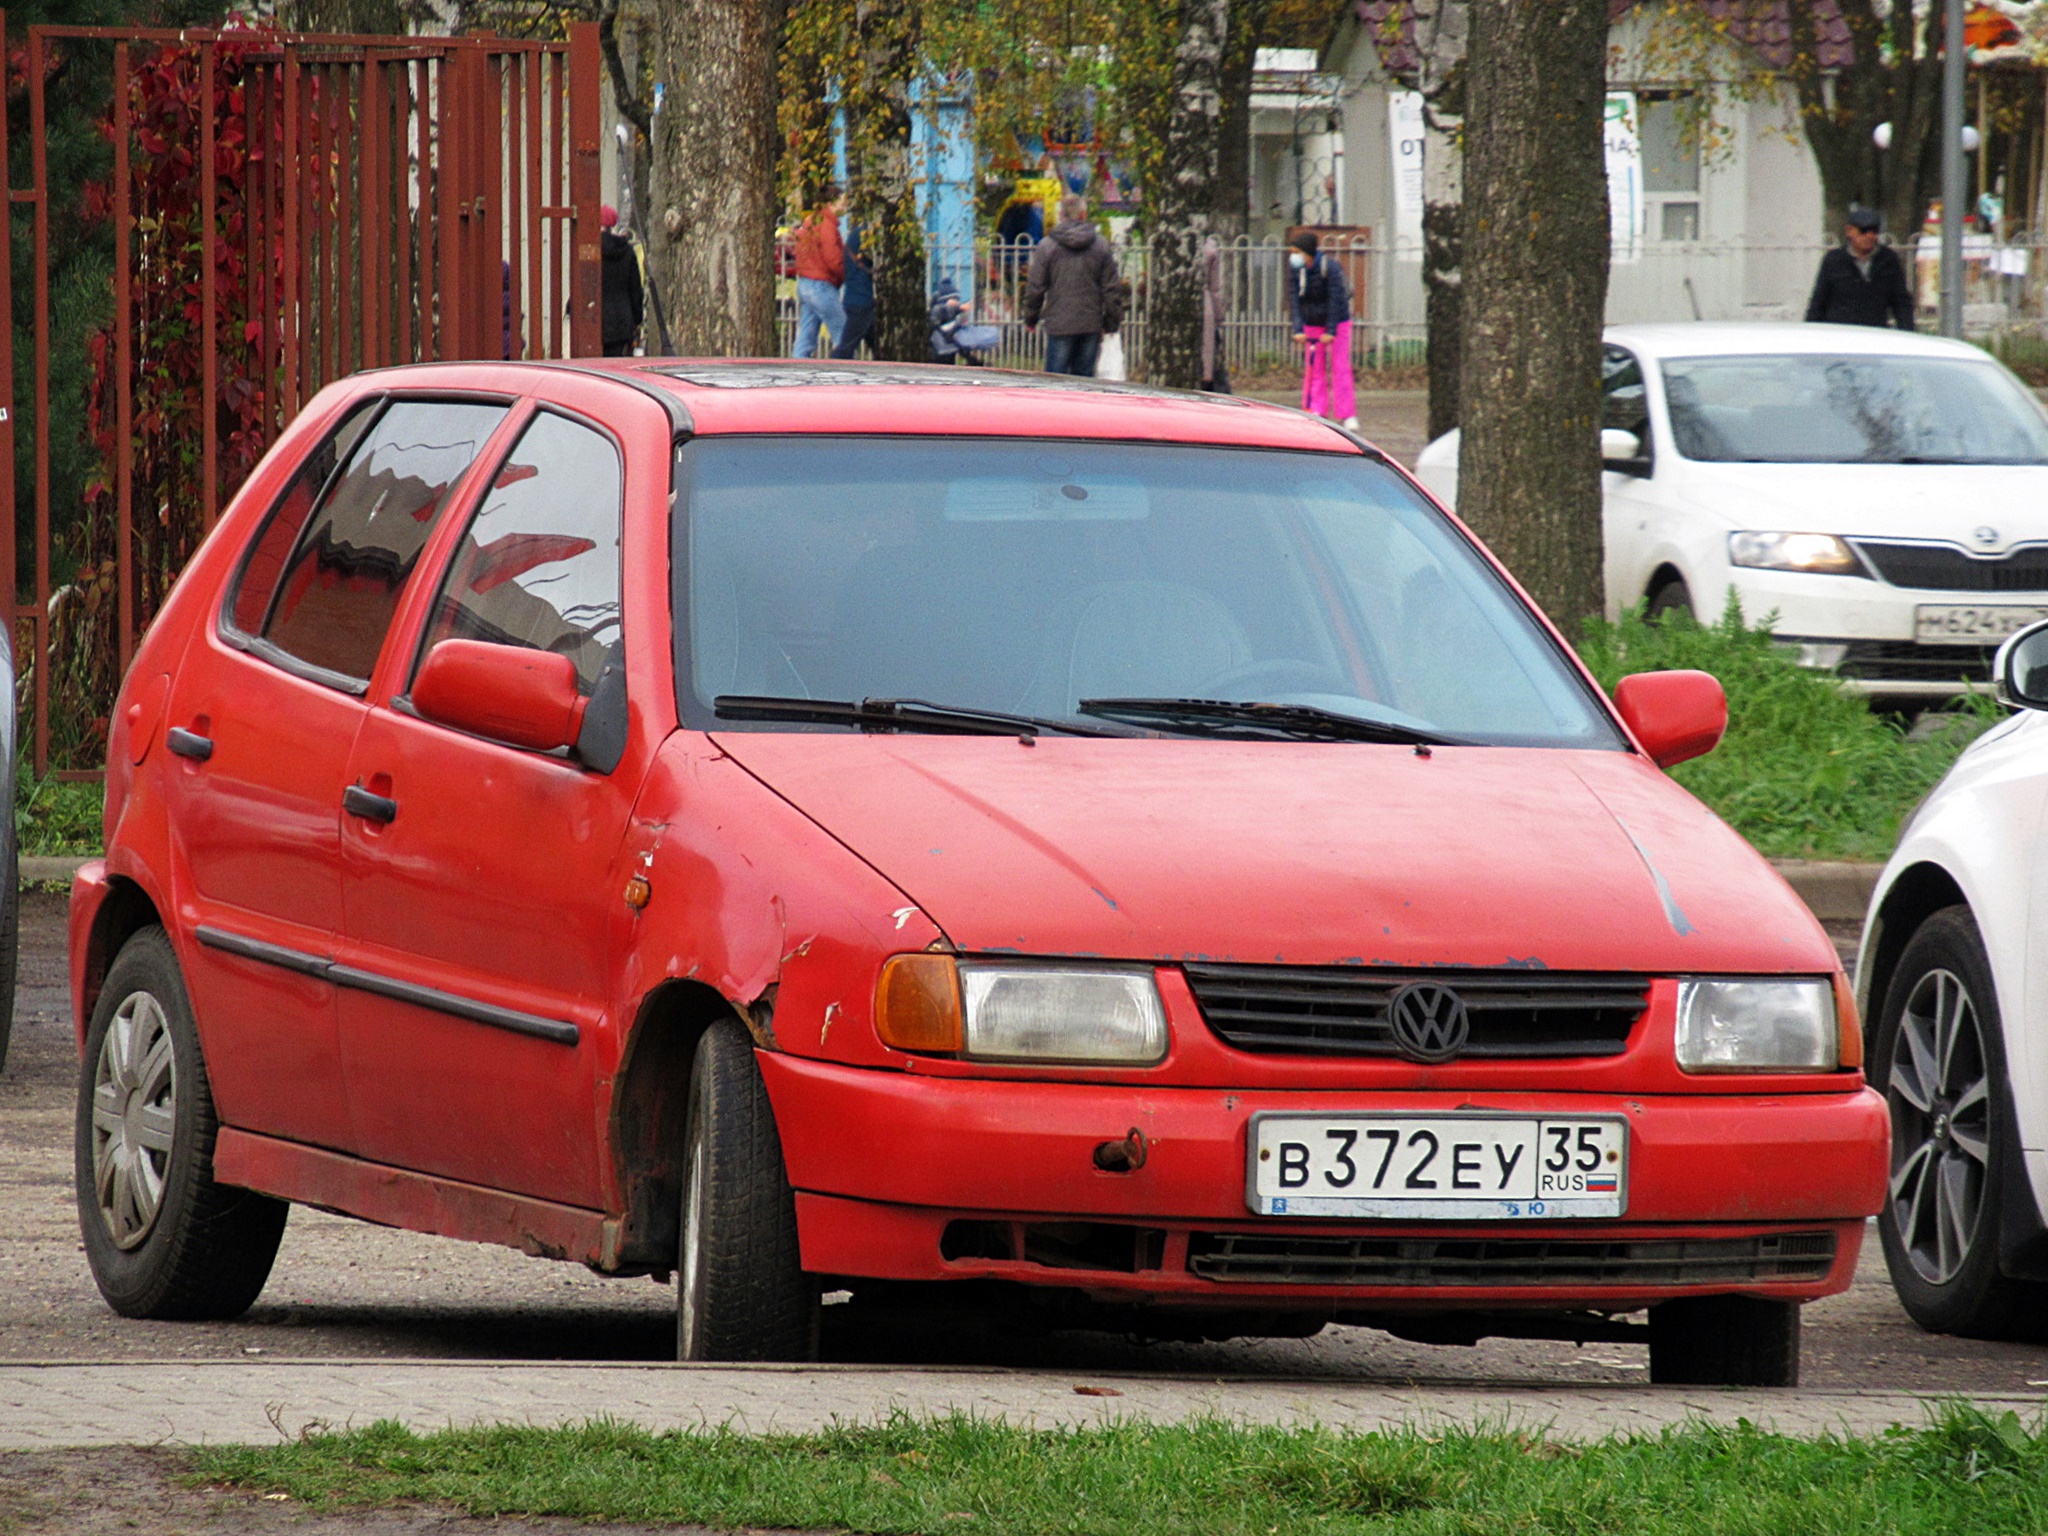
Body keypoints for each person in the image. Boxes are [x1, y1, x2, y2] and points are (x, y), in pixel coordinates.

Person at [1023, 194, 1123, 377]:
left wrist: (1031, 318)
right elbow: (1111, 288)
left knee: (1055, 383)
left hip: (1059, 323)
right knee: (1083, 385)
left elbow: (1036, 287)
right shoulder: (1100, 245)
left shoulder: (1047, 246)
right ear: (1084, 214)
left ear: (1061, 215)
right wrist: (1111, 323)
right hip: (1090, 323)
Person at [1288, 231, 1356, 428]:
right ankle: (1316, 409)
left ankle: (1347, 413)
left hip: (1337, 322)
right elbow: (1295, 299)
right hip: (1312, 322)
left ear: (1307, 253)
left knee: (1340, 367)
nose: (1293, 257)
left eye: (1296, 252)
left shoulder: (1331, 268)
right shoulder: (1297, 270)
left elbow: (1336, 299)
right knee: (1314, 368)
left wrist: (1332, 330)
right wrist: (1299, 328)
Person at [1805, 207, 1914, 329]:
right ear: (1849, 231)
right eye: (1864, 230)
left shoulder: (1888, 260)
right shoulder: (1834, 260)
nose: (1869, 236)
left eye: (1874, 231)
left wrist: (1908, 334)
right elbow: (1818, 303)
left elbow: (1901, 303)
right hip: (1839, 335)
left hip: (1875, 334)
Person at [792, 185, 846, 358]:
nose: (845, 207)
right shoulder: (827, 226)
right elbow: (833, 258)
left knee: (807, 335)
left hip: (805, 282)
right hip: (821, 285)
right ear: (831, 204)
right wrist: (844, 275)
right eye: (843, 202)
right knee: (842, 331)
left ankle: (796, 370)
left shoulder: (811, 221)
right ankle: (843, 372)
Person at [599, 205, 643, 358]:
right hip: (622, 321)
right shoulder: (627, 250)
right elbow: (636, 289)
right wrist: (637, 319)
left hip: (595, 320)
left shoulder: (589, 250)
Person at [831, 224, 876, 360]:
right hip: (862, 303)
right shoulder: (862, 236)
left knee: (877, 345)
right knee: (846, 348)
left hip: (854, 300)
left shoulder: (852, 241)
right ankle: (833, 369)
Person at [1201, 233, 1231, 394]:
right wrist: (1219, 317)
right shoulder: (1210, 249)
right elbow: (1216, 288)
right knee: (1209, 358)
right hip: (1206, 308)